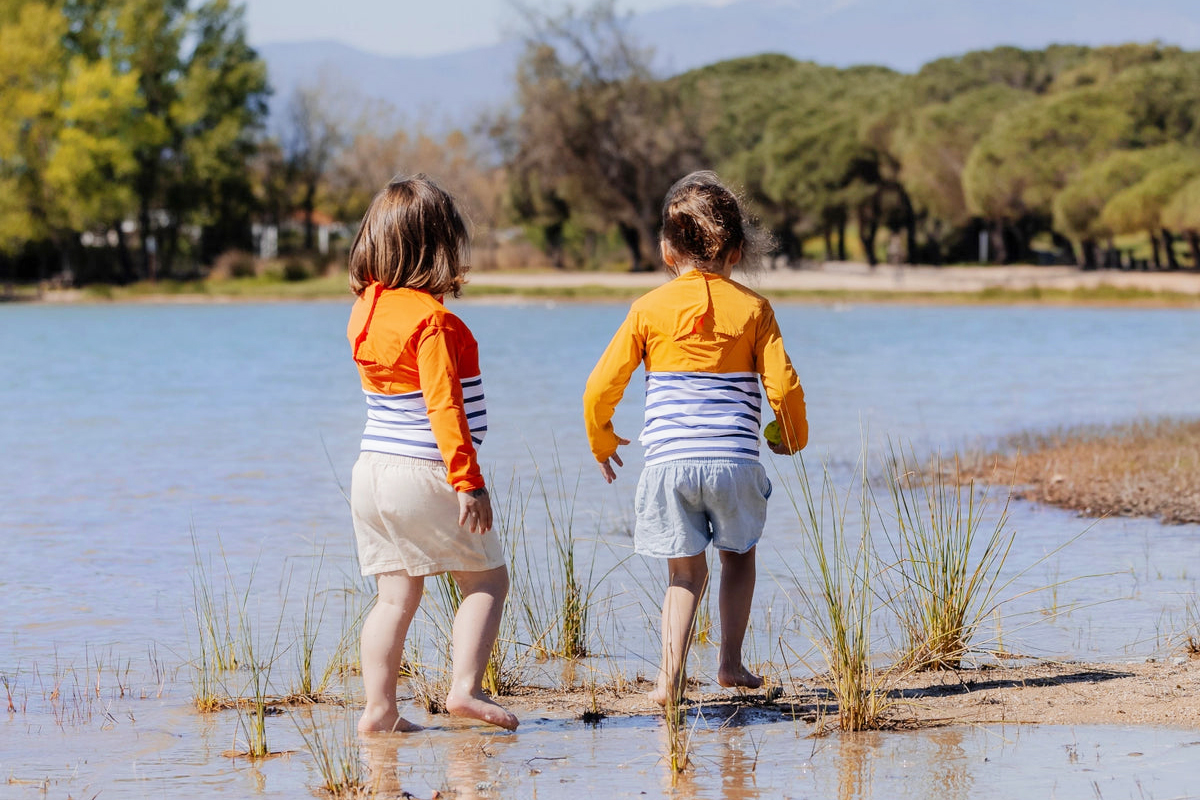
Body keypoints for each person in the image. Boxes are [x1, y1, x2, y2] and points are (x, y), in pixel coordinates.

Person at [582, 170, 808, 705]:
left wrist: (603, 438)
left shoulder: (647, 309)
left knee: (684, 574)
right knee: (739, 556)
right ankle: (730, 664)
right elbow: (784, 385)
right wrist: (791, 435)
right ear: (734, 251)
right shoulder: (754, 309)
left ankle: (669, 679)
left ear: (665, 250)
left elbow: (599, 387)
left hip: (668, 467)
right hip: (733, 462)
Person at [346, 175, 518, 733]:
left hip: (371, 474)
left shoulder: (367, 309)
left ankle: (379, 710)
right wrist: (468, 481)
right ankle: (465, 690)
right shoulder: (433, 322)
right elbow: (445, 408)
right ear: (437, 247)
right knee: (487, 582)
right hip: (426, 472)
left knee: (394, 596)